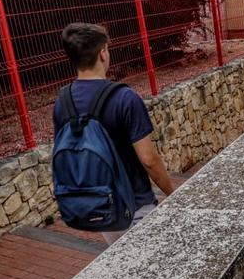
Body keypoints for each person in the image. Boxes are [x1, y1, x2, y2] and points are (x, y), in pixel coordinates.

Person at [54, 22, 175, 244]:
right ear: (102, 53)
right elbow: (148, 159)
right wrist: (172, 193)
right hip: (136, 205)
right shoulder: (124, 98)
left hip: (102, 207)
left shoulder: (63, 101)